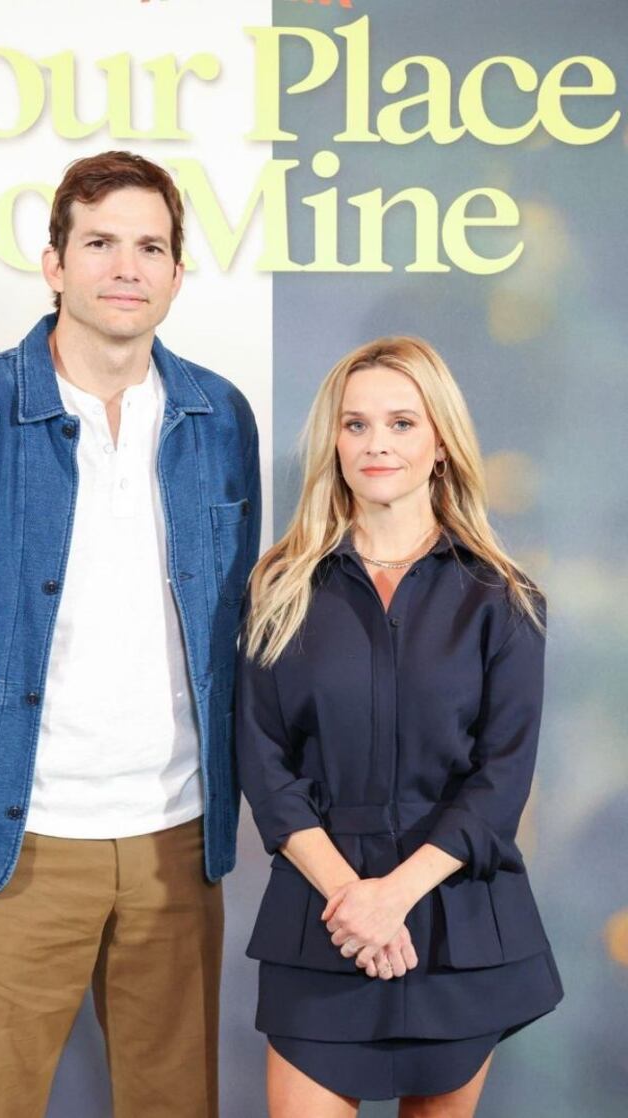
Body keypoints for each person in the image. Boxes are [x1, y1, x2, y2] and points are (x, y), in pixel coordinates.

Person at [0, 150, 260, 1118]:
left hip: (175, 839)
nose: (126, 267)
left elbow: (235, 611)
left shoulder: (219, 418)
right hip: (19, 839)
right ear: (55, 264)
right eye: (101, 243)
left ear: (176, 273)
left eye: (150, 247)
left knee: (175, 1104)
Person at [236, 337, 562, 1117]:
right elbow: (264, 767)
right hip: (324, 916)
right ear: (334, 442)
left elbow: (501, 781)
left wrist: (395, 898)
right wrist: (356, 902)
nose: (376, 443)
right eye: (355, 425)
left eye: (401, 423)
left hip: (457, 923)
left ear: (440, 442)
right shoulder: (278, 588)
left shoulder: (503, 598)